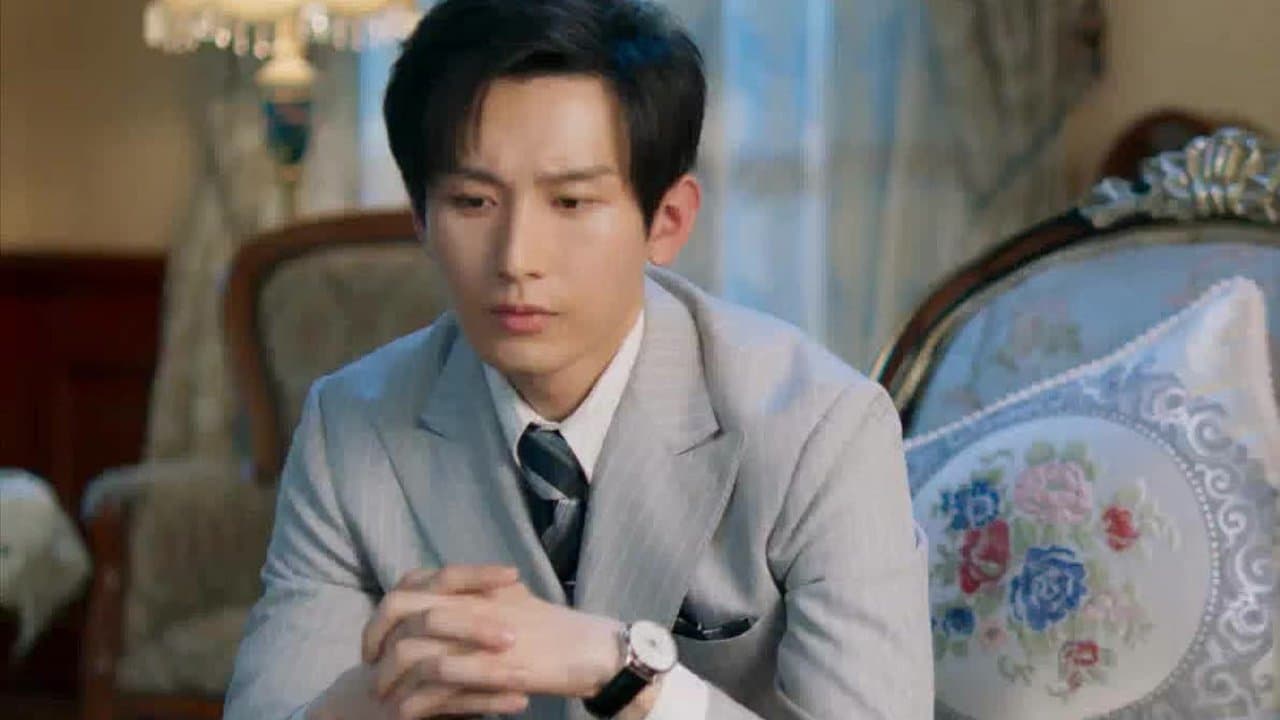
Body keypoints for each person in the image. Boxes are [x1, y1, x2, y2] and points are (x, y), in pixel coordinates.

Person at [224, 1, 931, 718]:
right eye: (473, 201)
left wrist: (621, 668)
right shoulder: (351, 425)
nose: (516, 258)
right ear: (421, 219)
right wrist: (379, 692)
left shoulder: (823, 429)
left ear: (667, 221)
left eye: (569, 202)